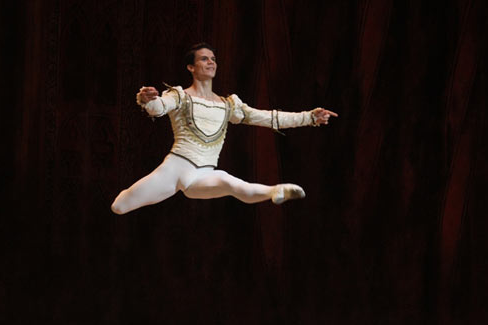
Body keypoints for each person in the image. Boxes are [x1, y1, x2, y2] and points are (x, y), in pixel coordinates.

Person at [111, 43, 338, 215]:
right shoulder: (179, 96)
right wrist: (146, 98)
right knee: (119, 206)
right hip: (176, 169)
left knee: (230, 183)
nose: (211, 62)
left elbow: (268, 118)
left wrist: (309, 117)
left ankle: (275, 191)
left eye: (213, 59)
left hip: (204, 174)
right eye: (204, 59)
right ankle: (122, 200)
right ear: (191, 67)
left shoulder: (229, 105)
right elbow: (158, 108)